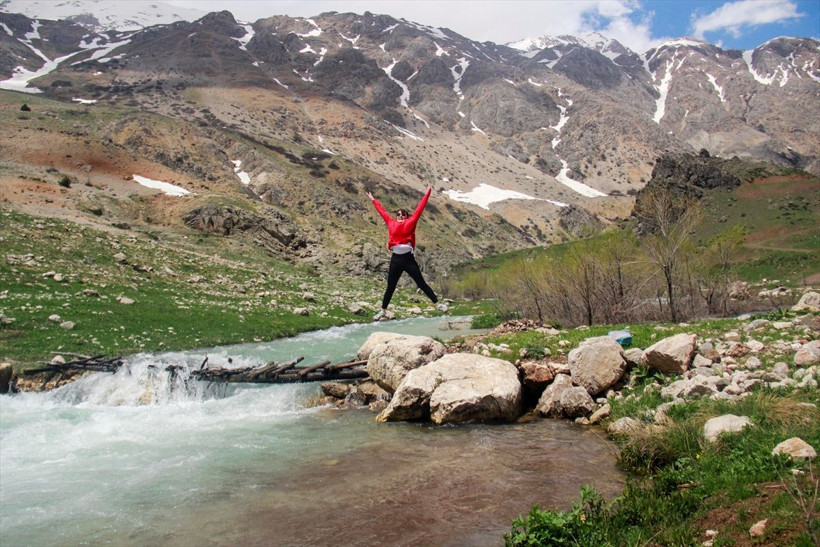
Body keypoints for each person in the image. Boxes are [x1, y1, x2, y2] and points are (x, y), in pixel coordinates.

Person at [367, 185, 448, 321]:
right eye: (398, 214)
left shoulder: (411, 222)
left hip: (408, 259)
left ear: (406, 216)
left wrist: (428, 191)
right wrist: (373, 200)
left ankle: (438, 305)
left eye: (402, 214)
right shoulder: (391, 222)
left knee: (421, 283)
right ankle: (383, 311)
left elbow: (420, 208)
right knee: (391, 286)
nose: (399, 216)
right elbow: (382, 212)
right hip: (396, 259)